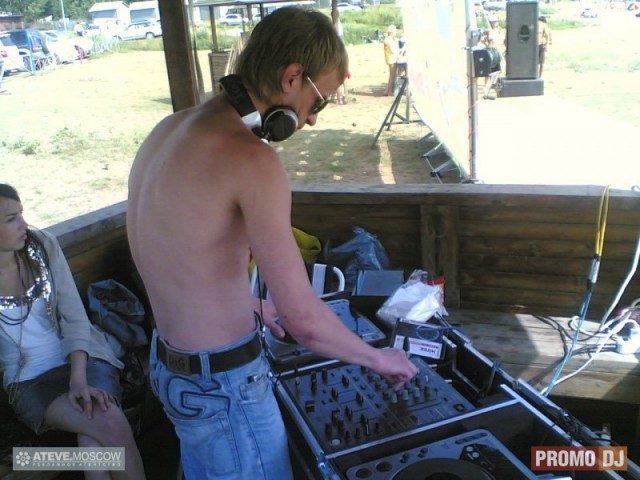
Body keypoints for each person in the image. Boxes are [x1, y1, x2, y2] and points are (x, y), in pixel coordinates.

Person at [126, 6, 417, 480]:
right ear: (291, 77)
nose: (313, 120)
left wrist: (248, 304)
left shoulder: (168, 131)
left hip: (171, 368)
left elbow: (173, 257)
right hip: (223, 385)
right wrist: (378, 358)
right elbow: (303, 320)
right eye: (318, 101)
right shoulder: (251, 160)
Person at [0, 184, 146, 480]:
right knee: (106, 428)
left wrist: (78, 380)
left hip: (83, 358)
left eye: (21, 214)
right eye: (12, 219)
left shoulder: (42, 246)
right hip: (29, 380)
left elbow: (75, 316)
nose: (24, 225)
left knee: (99, 433)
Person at [383, 24, 399, 96]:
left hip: (390, 58)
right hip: (392, 59)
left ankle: (387, 90)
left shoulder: (389, 39)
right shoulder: (389, 40)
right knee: (392, 76)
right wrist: (398, 54)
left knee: (391, 75)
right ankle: (389, 91)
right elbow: (393, 50)